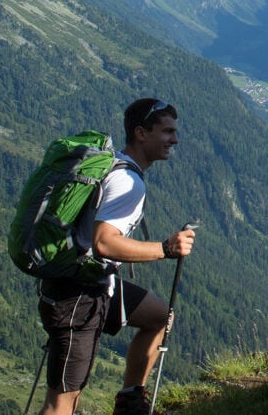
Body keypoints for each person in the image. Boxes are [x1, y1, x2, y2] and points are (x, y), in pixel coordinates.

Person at [38, 98, 198, 415]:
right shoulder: (127, 180)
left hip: (92, 286)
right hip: (77, 299)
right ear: (141, 133)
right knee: (61, 403)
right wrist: (165, 249)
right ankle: (129, 401)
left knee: (159, 317)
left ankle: (130, 400)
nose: (174, 140)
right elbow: (104, 244)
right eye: (167, 132)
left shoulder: (115, 165)